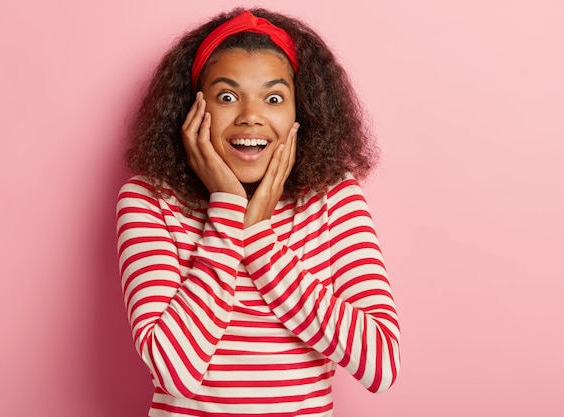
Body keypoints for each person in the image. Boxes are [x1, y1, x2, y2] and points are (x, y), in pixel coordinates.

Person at [116, 7, 400, 416]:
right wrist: (228, 208)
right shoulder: (148, 200)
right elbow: (175, 372)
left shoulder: (333, 199)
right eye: (227, 97)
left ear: (300, 113)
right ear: (193, 111)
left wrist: (260, 239)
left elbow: (381, 364)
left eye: (273, 98)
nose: (251, 116)